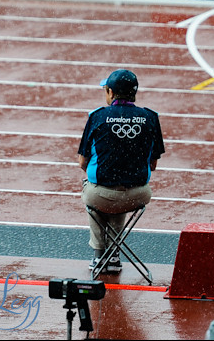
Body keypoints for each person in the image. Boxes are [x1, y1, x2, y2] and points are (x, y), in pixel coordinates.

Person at [77, 69, 165, 273]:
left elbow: (82, 161)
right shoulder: (151, 118)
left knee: (96, 190)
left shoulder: (97, 116)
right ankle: (114, 256)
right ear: (134, 93)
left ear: (110, 92)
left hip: (100, 196)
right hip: (137, 196)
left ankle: (99, 256)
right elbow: (153, 164)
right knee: (119, 189)